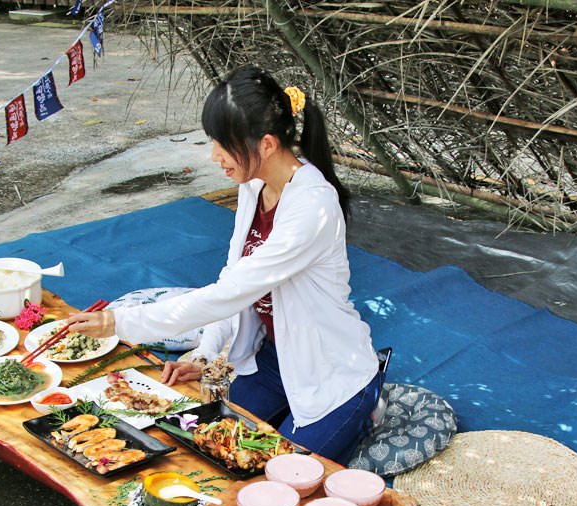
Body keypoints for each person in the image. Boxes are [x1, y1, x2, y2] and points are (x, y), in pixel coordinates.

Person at [67, 65, 381, 464]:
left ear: (266, 144)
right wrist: (206, 354)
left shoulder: (312, 205)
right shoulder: (254, 186)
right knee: (194, 438)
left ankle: (361, 415)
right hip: (273, 360)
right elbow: (232, 281)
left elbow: (229, 293)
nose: (214, 157)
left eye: (223, 145)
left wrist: (120, 322)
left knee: (274, 475)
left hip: (332, 373)